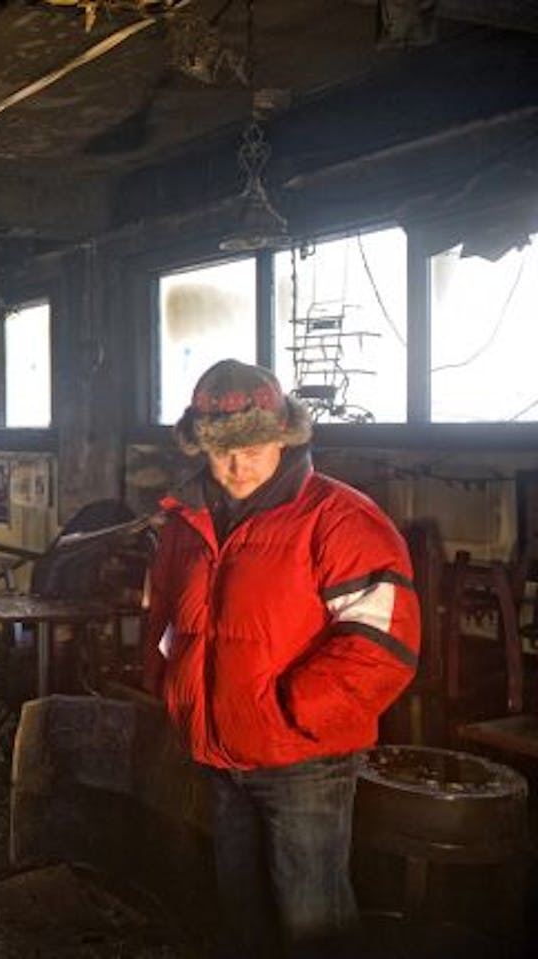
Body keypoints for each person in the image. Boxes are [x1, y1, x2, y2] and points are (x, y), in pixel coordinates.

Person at [142, 359, 420, 959]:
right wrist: (173, 690)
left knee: (312, 919)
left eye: (252, 447)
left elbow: (383, 641)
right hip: (218, 751)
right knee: (242, 914)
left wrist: (292, 712)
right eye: (220, 452)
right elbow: (164, 618)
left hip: (303, 762)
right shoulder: (184, 522)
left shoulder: (341, 518)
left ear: (283, 436)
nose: (237, 465)